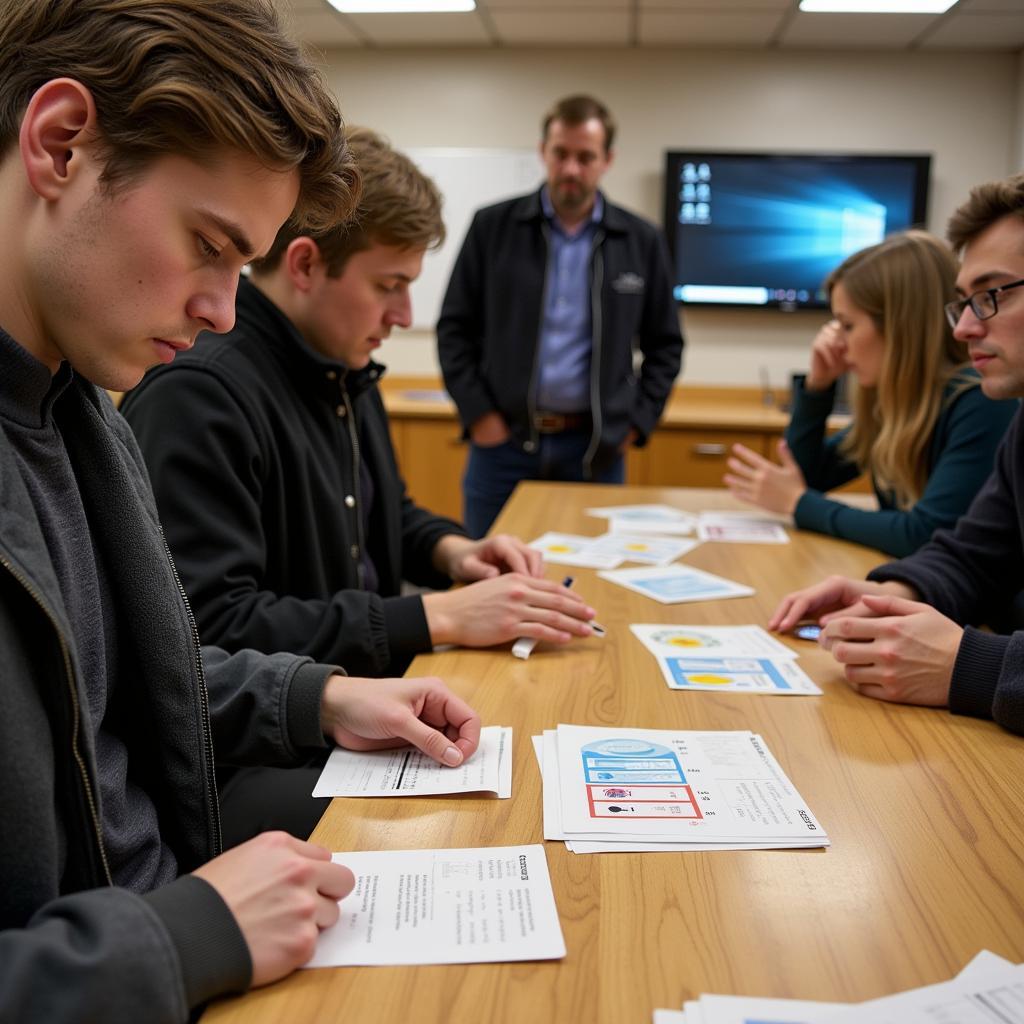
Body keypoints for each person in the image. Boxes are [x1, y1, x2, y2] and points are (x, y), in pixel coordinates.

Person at [0, 3, 482, 1021]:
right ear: (59, 144)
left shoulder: (82, 412)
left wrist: (317, 696)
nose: (226, 309)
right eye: (210, 245)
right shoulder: (152, 385)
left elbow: (104, 692)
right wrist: (181, 935)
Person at [120, 127, 596, 845]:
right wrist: (438, 619)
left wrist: (453, 553)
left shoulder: (342, 364)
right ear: (307, 264)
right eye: (390, 287)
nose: (403, 317)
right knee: (484, 823)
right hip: (248, 758)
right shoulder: (201, 393)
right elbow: (211, 630)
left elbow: (385, 515)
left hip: (342, 707)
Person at [769, 173, 1024, 737]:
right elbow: (971, 554)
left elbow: (925, 528)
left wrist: (968, 664)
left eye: (992, 295)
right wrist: (895, 591)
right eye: (963, 302)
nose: (963, 327)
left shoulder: (982, 404)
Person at [436, 94, 684, 538]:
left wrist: (634, 424)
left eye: (585, 157)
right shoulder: (493, 227)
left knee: (590, 584)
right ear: (543, 152)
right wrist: (480, 418)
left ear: (607, 160)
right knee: (490, 576)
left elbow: (665, 345)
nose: (571, 169)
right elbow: (455, 328)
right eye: (561, 154)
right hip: (502, 446)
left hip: (595, 451)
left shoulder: (641, 239)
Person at [724, 231, 1016, 557]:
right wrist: (817, 387)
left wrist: (798, 503)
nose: (836, 341)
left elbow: (925, 534)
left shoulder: (981, 403)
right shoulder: (900, 402)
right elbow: (807, 476)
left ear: (897, 327)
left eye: (847, 325)